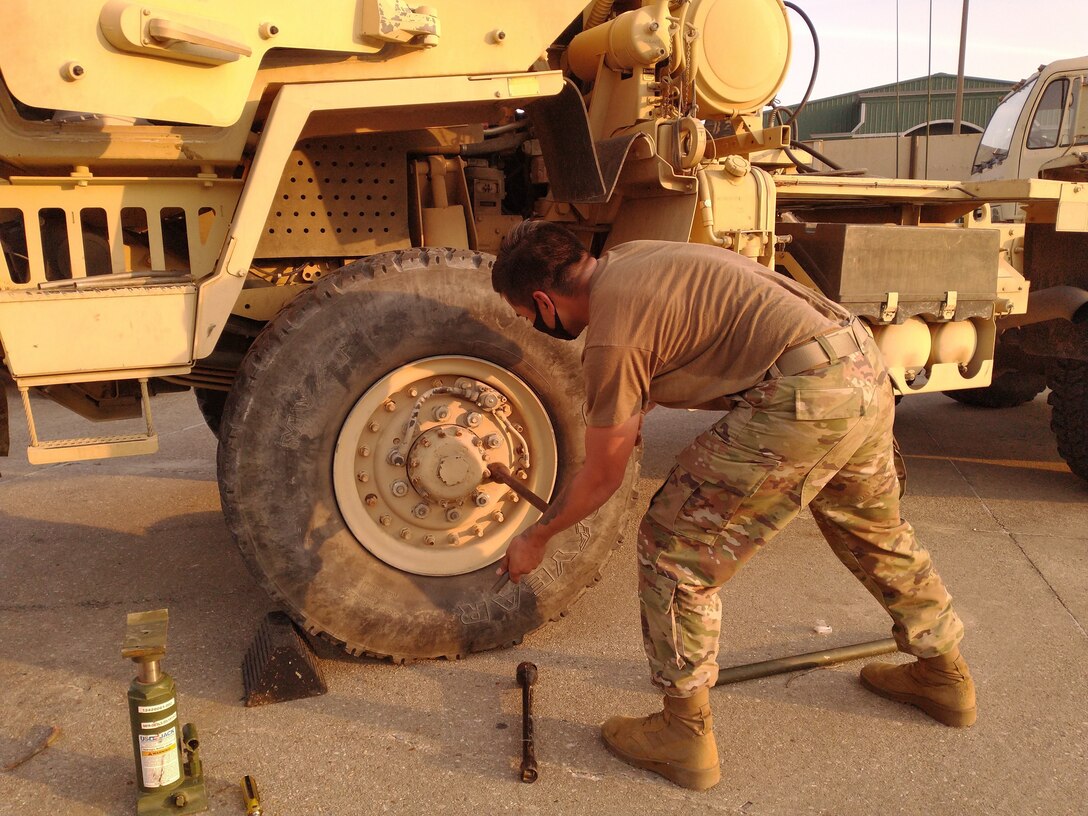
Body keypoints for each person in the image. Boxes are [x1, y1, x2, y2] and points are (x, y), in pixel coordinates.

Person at [491, 221, 975, 792]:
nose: (534, 326)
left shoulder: (613, 335)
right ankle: (944, 675)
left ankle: (683, 733)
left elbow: (602, 477)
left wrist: (536, 537)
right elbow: (692, 335)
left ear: (545, 300)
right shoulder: (631, 257)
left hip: (807, 393)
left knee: (674, 547)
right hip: (859, 364)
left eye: (526, 316)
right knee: (873, 527)